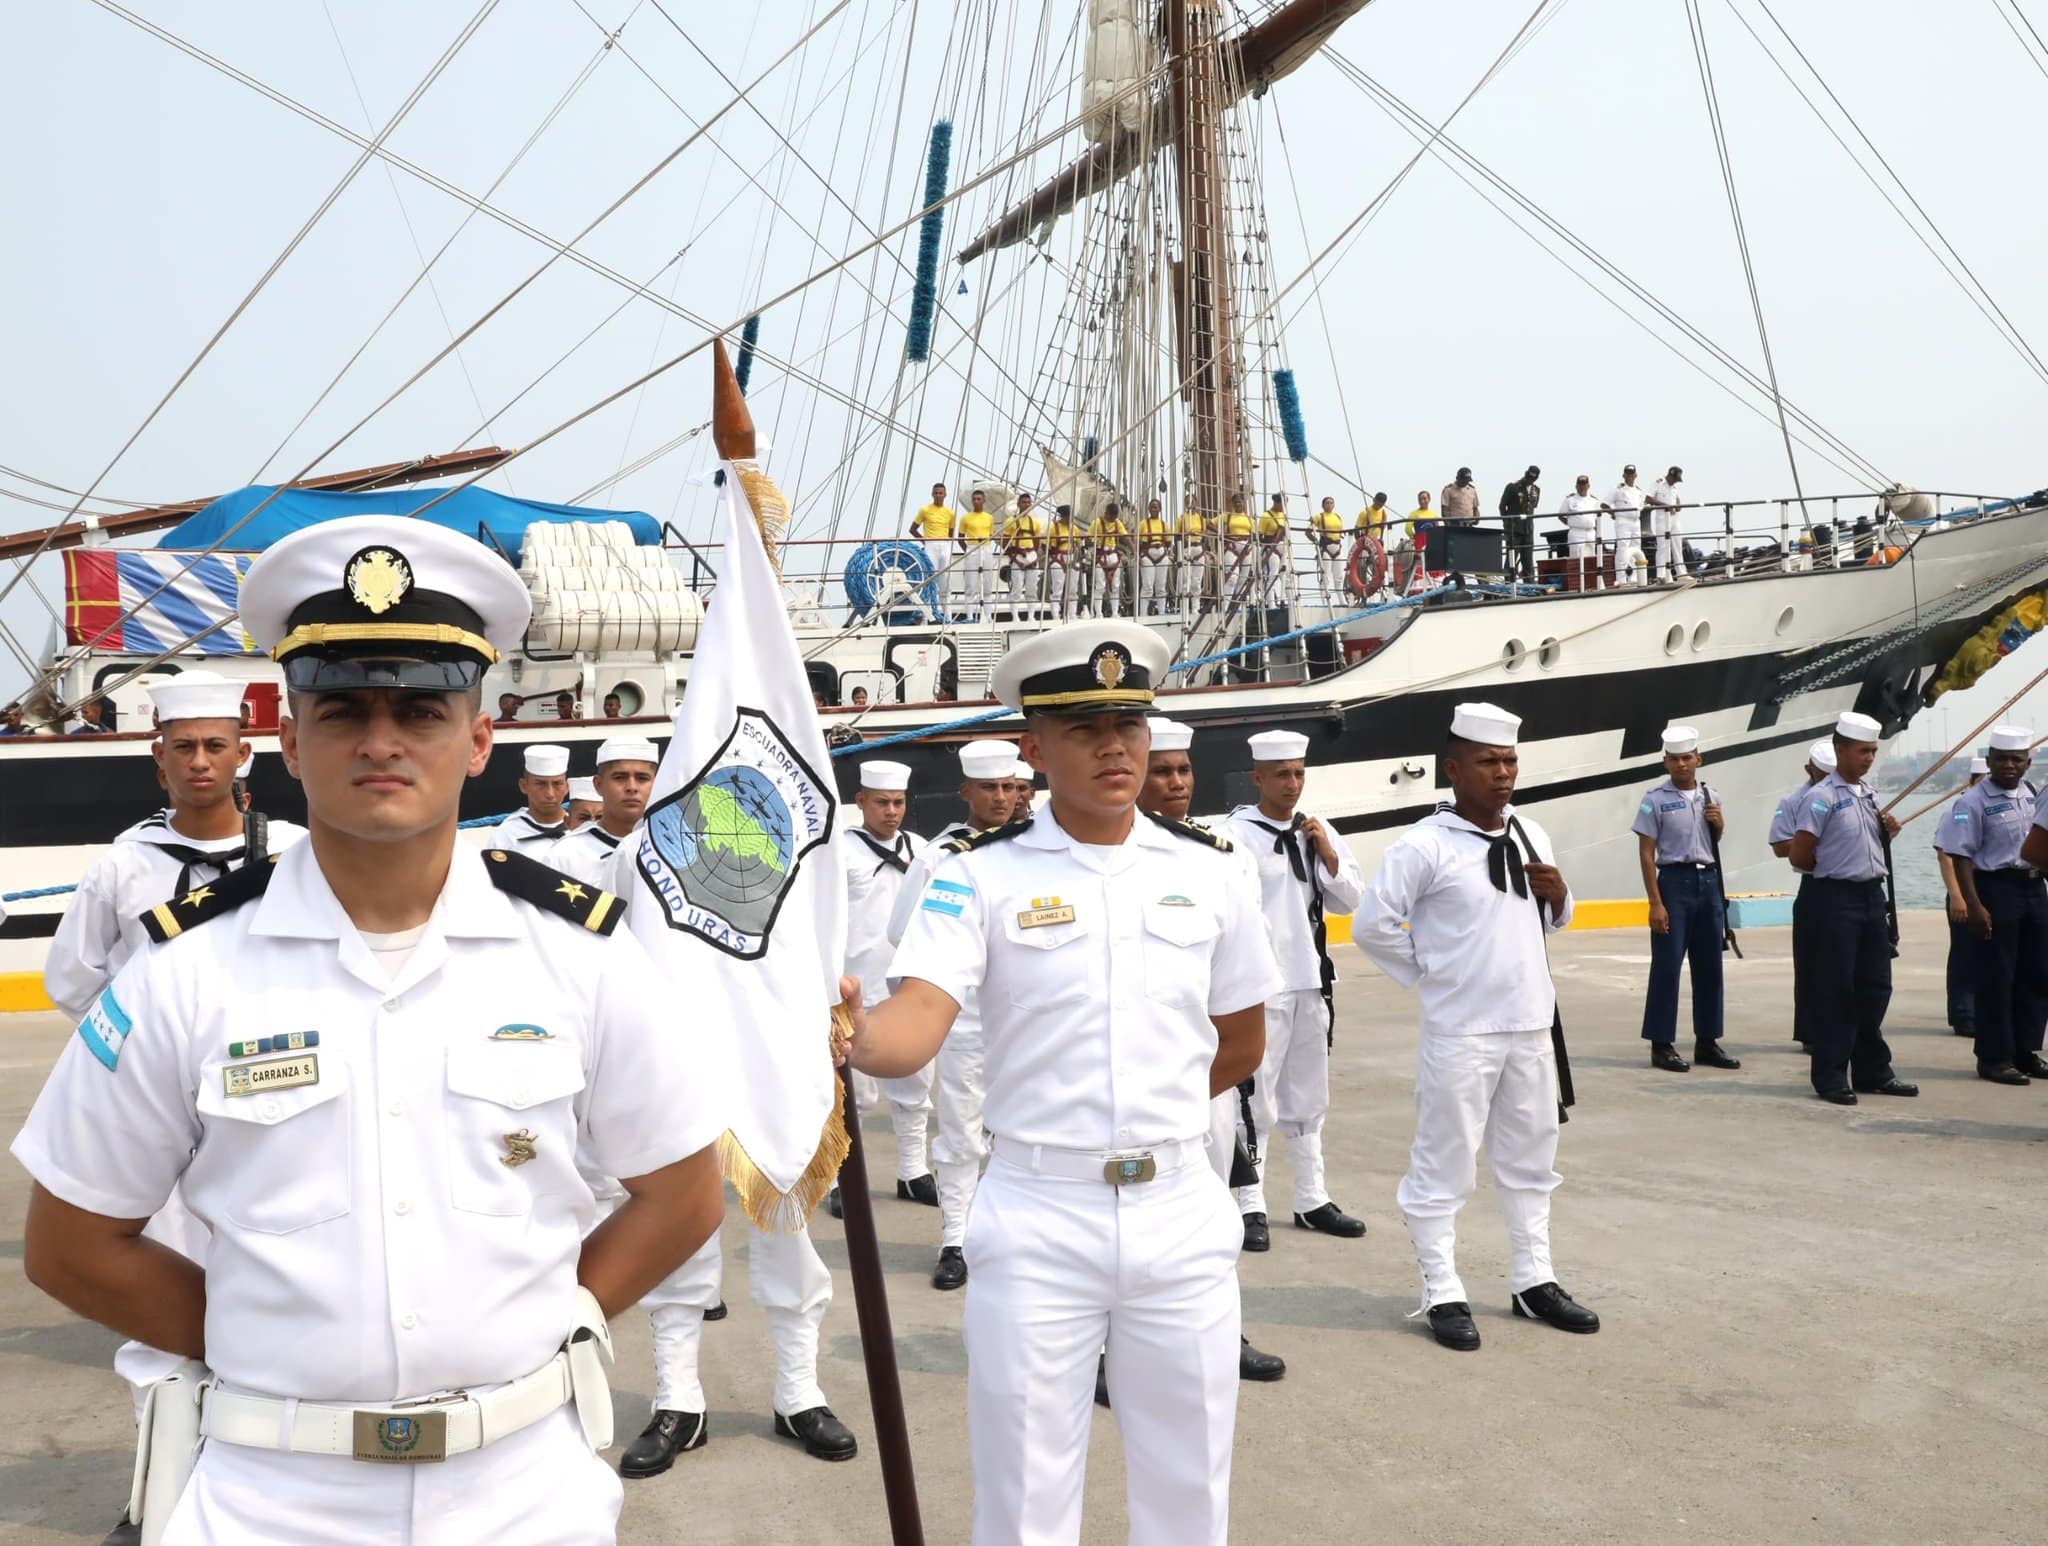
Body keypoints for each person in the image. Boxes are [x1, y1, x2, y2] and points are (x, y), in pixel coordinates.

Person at [13, 514, 725, 1543]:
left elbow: (682, 1191)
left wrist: (560, 1316)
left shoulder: (580, 953)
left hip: (524, 1490)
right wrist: (262, 1341)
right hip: (271, 1492)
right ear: (292, 739)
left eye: (422, 710)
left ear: (480, 737)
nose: (381, 740)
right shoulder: (184, 968)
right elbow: (71, 1243)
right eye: (342, 708)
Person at [851, 619, 1281, 1546]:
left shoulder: (1210, 874)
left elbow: (1240, 1041)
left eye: (1128, 726)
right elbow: (913, 1026)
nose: (1114, 748)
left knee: (1190, 1488)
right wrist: (852, 1033)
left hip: (1178, 1211)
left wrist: (1149, 1108)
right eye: (1085, 730)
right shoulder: (978, 879)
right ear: (1037, 749)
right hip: (1041, 1216)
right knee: (1023, 1495)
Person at [41, 669, 308, 1543]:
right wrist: (150, 1064)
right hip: (163, 1131)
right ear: (159, 764)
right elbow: (74, 982)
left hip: (283, 1118)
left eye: (215, 746)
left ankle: (275, 1486)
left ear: (246, 758)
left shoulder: (300, 854)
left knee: (289, 1294)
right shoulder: (123, 866)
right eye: (182, 749)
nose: (200, 763)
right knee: (158, 1323)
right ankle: (155, 1498)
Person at [1355, 702, 1599, 1352]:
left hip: (1529, 1026)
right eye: (1489, 762)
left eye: (1510, 761)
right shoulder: (1424, 845)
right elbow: (1372, 926)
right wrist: (1431, 975)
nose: (1503, 773)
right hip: (1461, 1032)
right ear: (1454, 768)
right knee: (1445, 1162)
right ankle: (1442, 1289)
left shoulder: (1531, 833)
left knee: (1531, 1158)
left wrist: (1559, 896)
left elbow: (1551, 920)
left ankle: (1533, 1280)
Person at [1130, 716, 1286, 1391]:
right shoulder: (1098, 858)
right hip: (1123, 1082)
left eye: (1182, 771)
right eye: (1160, 771)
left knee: (1209, 1215)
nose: (1174, 784)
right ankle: (1116, 1350)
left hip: (1206, 1076)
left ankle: (1220, 1333)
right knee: (1128, 1225)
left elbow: (1240, 977)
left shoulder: (1222, 857)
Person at [873, 738, 1022, 1288]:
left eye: (1009, 787)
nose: (1002, 798)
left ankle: (1011, 1238)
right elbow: (900, 930)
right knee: (961, 1132)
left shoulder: (1034, 849)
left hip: (1024, 1015)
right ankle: (955, 1239)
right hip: (966, 1018)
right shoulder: (942, 857)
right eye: (990, 788)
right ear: (966, 792)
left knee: (1022, 1132)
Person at [1223, 730, 1368, 1247]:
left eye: (1299, 773)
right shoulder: (1234, 834)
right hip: (1260, 986)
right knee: (1255, 1098)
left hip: (1309, 980)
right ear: (1257, 777)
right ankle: (1249, 1202)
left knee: (1309, 1095)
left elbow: (1352, 901)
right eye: (1281, 774)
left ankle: (1311, 1197)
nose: (1292, 784)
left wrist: (1327, 854)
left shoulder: (1315, 827)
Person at [1788, 711, 1917, 1104]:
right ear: (1840, 751)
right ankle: (1830, 1076)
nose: (1869, 759)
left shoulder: (1868, 795)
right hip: (1833, 899)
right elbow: (1800, 856)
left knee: (1875, 987)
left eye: (1873, 751)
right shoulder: (1820, 797)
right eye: (1862, 751)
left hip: (1869, 899)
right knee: (1835, 990)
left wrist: (1886, 834)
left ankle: (1871, 1070)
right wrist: (1836, 874)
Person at [837, 759, 939, 1211]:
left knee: (915, 1085)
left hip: (908, 984)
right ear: (861, 802)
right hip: (854, 984)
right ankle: (846, 1176)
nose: (891, 811)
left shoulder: (922, 848)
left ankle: (912, 1170)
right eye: (881, 802)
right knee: (850, 1094)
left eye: (898, 802)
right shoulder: (839, 853)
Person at [1937, 726, 2048, 1086]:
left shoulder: (2032, 795)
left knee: (2035, 975)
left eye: (2017, 760)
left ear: (2029, 763)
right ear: (1989, 762)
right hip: (1995, 889)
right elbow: (1961, 856)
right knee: (1997, 978)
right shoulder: (1971, 802)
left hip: (2033, 888)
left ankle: (2025, 1050)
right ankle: (1994, 1057)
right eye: (2002, 759)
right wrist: (1973, 904)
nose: (2010, 766)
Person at [1632, 725, 1740, 1073]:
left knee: (1710, 966)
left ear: (1698, 759)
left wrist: (1719, 824)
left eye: (1687, 758)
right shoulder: (1654, 800)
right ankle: (1661, 1045)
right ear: (1666, 762)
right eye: (1674, 759)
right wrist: (1655, 901)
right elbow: (1647, 853)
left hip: (1707, 881)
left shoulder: (1712, 797)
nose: (1681, 765)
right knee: (1666, 966)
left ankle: (1708, 1041)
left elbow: (1713, 843)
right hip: (1674, 883)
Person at [553, 739, 657, 889]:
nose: (632, 787)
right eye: (619, 778)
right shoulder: (565, 855)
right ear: (598, 785)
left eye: (642, 778)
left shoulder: (674, 849)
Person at [1936, 755, 1987, 1039]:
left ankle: (1981, 1011)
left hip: (1988, 889)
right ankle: (1963, 1016)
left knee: (1986, 956)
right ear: (1972, 780)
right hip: (1964, 891)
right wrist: (1957, 895)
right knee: (1964, 957)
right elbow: (1945, 856)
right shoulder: (1960, 808)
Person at [487, 744, 571, 851]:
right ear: (524, 786)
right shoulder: (506, 835)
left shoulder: (580, 830)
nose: (550, 794)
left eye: (557, 784)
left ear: (567, 787)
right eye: (541, 784)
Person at [1558, 476, 1607, 589]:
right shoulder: (1570, 500)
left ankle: (1594, 584)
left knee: (1592, 559)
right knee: (1576, 559)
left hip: (1590, 532)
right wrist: (1572, 523)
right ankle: (1577, 585)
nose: (1582, 487)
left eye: (1584, 484)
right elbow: (1561, 515)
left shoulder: (1594, 500)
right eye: (1580, 484)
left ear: (1588, 486)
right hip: (1576, 532)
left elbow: (1597, 516)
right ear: (1576, 486)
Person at [911, 480, 957, 601]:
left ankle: (947, 614)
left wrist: (946, 541)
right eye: (936, 493)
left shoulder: (950, 513)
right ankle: (928, 613)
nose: (938, 495)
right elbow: (913, 529)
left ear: (945, 495)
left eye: (940, 493)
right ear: (932, 494)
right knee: (930, 578)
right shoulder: (925, 510)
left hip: (945, 545)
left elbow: (951, 532)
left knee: (945, 579)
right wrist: (924, 541)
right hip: (930, 545)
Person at [957, 489, 997, 622]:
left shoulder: (989, 517)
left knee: (987, 583)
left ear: (984, 500)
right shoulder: (966, 518)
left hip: (986, 548)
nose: (976, 501)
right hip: (972, 548)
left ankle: (988, 616)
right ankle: (969, 616)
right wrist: (968, 550)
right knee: (971, 584)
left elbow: (991, 534)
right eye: (974, 499)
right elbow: (960, 537)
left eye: (979, 499)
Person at [1498, 466, 1541, 582]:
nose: (1529, 479)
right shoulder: (1512, 487)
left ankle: (1530, 586)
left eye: (1532, 478)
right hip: (1514, 529)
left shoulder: (1536, 490)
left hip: (1528, 529)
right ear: (1525, 474)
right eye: (1528, 476)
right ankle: (1509, 585)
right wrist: (1506, 523)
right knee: (1511, 560)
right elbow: (1502, 506)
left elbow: (1532, 507)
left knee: (1528, 560)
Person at [1004, 491, 1043, 618]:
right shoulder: (1010, 521)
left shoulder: (1035, 522)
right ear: (1018, 504)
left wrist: (1034, 554)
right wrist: (1012, 555)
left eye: (1028, 502)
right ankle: (1015, 616)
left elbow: (1037, 541)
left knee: (1032, 588)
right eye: (1024, 502)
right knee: (1017, 587)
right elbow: (1005, 541)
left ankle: (1031, 615)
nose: (1026, 505)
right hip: (1017, 555)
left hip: (1031, 554)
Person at [1608, 465, 1649, 586]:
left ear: (1635, 475)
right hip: (1623, 521)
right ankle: (1621, 578)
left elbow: (1642, 505)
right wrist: (1613, 514)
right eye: (1627, 474)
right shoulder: (1618, 490)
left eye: (1632, 474)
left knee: (1636, 547)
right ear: (1624, 476)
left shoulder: (1638, 491)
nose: (1630, 476)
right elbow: (1605, 504)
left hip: (1636, 521)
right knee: (1622, 548)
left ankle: (1634, 577)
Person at [1089, 501, 1132, 617]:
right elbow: (1088, 539)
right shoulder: (1096, 523)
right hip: (1101, 556)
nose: (1112, 519)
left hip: (1113, 556)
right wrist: (1095, 541)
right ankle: (1098, 613)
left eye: (1114, 517)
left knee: (1115, 586)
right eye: (1110, 516)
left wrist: (1134, 550)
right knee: (1100, 586)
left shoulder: (1117, 523)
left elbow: (1126, 537)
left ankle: (1115, 613)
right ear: (1106, 513)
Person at [1647, 466, 1685, 581]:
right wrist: (1665, 505)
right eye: (1674, 479)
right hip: (1662, 519)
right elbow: (1648, 498)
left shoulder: (1674, 486)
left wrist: (1678, 505)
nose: (1675, 482)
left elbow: (1676, 498)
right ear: (1670, 475)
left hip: (1674, 518)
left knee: (1678, 544)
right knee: (1663, 547)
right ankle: (1661, 575)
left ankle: (1682, 573)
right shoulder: (1658, 483)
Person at [1137, 498, 1173, 616]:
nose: (1153, 509)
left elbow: (1168, 542)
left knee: (1161, 586)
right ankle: (1143, 614)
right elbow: (1137, 541)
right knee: (1147, 586)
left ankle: (1162, 613)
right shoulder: (1142, 524)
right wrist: (1138, 556)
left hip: (1162, 555)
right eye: (1152, 507)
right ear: (1148, 509)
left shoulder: (1164, 525)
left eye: (1156, 507)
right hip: (1147, 554)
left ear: (1160, 509)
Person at [1047, 503, 1082, 621]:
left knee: (1073, 589)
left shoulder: (1075, 529)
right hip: (1058, 558)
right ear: (1062, 516)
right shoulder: (1053, 528)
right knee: (1057, 589)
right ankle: (1056, 616)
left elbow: (1077, 545)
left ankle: (1072, 615)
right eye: (1066, 516)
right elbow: (1047, 547)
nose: (1068, 519)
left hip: (1072, 558)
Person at [1176, 505, 1213, 612]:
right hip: (1187, 549)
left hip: (1199, 549)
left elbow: (1206, 534)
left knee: (1196, 582)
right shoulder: (1181, 519)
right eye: (1188, 502)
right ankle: (1184, 609)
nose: (1191, 504)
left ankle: (1195, 609)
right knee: (1185, 581)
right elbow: (1177, 536)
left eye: (1193, 502)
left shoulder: (1202, 520)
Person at [1220, 503, 1258, 608]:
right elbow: (1209, 523)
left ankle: (1236, 604)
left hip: (1246, 547)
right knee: (1232, 577)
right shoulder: (1227, 516)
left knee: (1243, 578)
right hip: (1232, 547)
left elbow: (1255, 534)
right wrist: (1223, 534)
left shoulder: (1249, 519)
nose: (1238, 504)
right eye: (1235, 502)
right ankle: (1225, 606)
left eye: (1240, 502)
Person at [1311, 496, 1346, 605]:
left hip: (1337, 548)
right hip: (1325, 548)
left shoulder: (1337, 517)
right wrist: (1315, 541)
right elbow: (1308, 531)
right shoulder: (1319, 517)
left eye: (1331, 503)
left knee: (1339, 576)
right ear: (1323, 505)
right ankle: (1325, 601)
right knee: (1325, 576)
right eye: (1327, 503)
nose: (1329, 505)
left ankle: (1342, 600)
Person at [1009, 757, 1038, 822]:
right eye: (1010, 789)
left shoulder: (1044, 825)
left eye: (1022, 788)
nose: (1016, 796)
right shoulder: (987, 829)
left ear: (1032, 794)